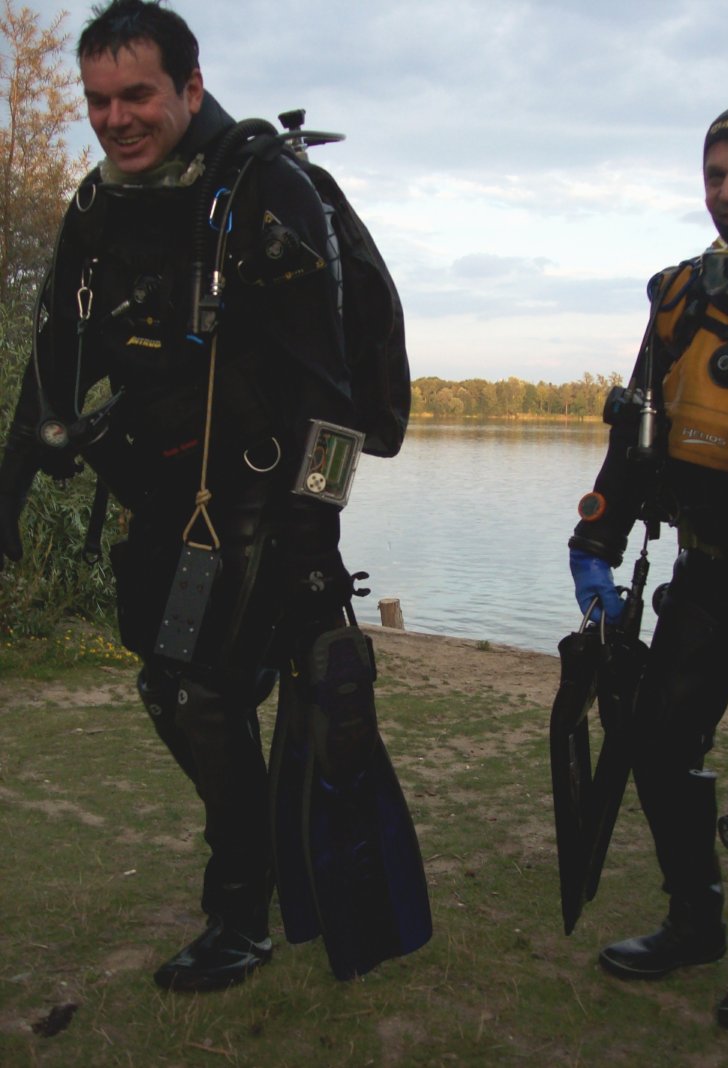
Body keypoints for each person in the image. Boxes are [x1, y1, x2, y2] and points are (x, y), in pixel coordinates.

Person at [0, 0, 429, 991]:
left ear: (190, 88)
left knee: (201, 696)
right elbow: (54, 348)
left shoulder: (265, 194)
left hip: (263, 509)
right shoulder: (102, 208)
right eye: (99, 100)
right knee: (173, 690)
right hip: (171, 504)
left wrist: (315, 524)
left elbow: (333, 397)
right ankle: (255, 876)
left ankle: (240, 913)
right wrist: (17, 470)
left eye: (138, 94)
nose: (116, 118)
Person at [568, 100, 728, 1035]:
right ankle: (693, 922)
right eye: (716, 175)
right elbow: (637, 431)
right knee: (659, 745)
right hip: (707, 571)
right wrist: (596, 539)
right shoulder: (679, 298)